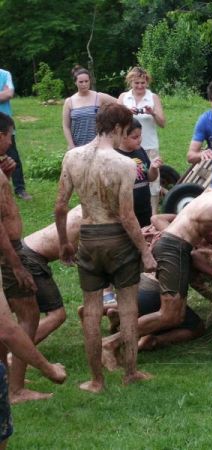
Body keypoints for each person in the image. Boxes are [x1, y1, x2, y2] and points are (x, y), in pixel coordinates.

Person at [101, 190, 212, 368]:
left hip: (175, 246)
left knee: (175, 316)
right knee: (170, 315)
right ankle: (110, 344)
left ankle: (116, 339)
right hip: (174, 247)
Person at [55, 103, 157, 393]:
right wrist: (145, 252)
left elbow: (61, 206)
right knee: (127, 307)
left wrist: (64, 242)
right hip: (118, 241)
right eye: (125, 131)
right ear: (117, 129)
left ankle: (96, 380)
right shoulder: (125, 164)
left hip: (88, 238)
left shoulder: (72, 156)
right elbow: (127, 216)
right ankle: (131, 373)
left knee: (91, 310)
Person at [0, 112, 67, 404]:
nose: (12, 140)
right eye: (9, 135)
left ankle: (6, 383)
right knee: (27, 315)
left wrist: (8, 176)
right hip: (9, 252)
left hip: (10, 250)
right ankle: (16, 389)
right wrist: (15, 262)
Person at [21, 206, 83, 344]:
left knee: (18, 311)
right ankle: (15, 355)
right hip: (31, 258)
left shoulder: (86, 206)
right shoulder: (97, 213)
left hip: (24, 249)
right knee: (57, 315)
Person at [118, 67, 165, 214]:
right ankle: (129, 210)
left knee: (153, 180)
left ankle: (153, 214)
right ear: (130, 82)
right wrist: (126, 113)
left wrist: (153, 113)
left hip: (149, 144)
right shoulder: (123, 97)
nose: (139, 86)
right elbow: (115, 122)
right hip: (127, 147)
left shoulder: (153, 97)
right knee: (130, 179)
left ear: (147, 82)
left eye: (143, 83)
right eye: (136, 83)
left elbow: (162, 123)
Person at [115, 118, 162, 227]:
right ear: (122, 136)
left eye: (140, 135)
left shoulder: (140, 151)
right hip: (127, 210)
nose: (139, 140)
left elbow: (150, 178)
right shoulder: (115, 156)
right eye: (135, 137)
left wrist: (153, 168)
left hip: (145, 207)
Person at [62, 65, 116, 149]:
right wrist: (71, 145)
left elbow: (120, 102)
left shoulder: (99, 97)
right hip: (77, 146)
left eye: (86, 81)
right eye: (81, 82)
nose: (84, 84)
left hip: (97, 146)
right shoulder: (69, 102)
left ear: (90, 81)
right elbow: (66, 126)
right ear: (75, 82)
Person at [0, 67, 31, 200]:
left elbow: (9, 94)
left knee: (13, 157)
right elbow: (4, 94)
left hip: (5, 125)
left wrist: (5, 93)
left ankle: (20, 189)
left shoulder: (5, 74)